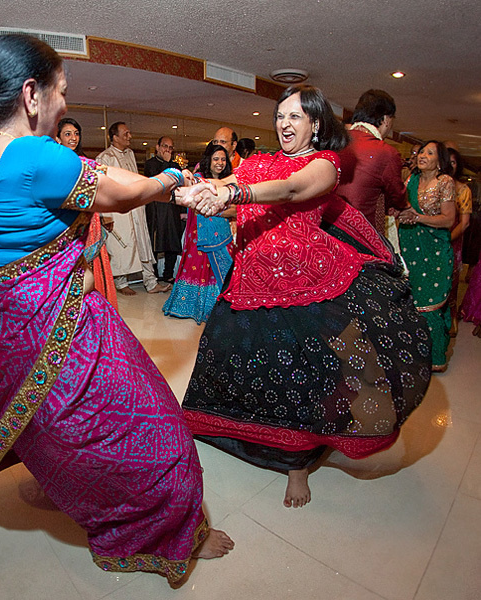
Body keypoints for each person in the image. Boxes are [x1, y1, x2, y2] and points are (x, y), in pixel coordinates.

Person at [0, 34, 233, 587]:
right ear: (31, 95)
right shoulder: (34, 154)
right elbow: (123, 193)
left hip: (18, 328)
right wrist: (174, 178)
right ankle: (168, 530)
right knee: (158, 431)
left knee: (59, 425)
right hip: (65, 326)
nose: (66, 103)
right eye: (62, 90)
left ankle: (69, 489)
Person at [182, 84, 431, 508]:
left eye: (295, 116)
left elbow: (293, 190)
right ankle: (224, 429)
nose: (284, 123)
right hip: (250, 279)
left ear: (316, 124)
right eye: (280, 115)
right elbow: (230, 199)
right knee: (232, 358)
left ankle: (297, 466)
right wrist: (198, 191)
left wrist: (232, 192)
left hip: (306, 284)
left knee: (303, 377)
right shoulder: (258, 162)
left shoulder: (326, 164)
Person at [397, 141, 456, 371]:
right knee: (414, 302)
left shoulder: (445, 183)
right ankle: (416, 350)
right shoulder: (410, 180)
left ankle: (436, 358)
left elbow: (449, 219)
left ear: (439, 161)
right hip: (411, 249)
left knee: (431, 303)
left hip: (435, 251)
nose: (422, 155)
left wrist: (418, 218)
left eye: (429, 153)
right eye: (421, 151)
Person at [96, 122, 171, 295]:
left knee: (142, 243)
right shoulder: (104, 158)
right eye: (126, 134)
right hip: (117, 211)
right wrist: (105, 215)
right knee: (121, 246)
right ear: (114, 137)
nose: (130, 137)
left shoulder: (130, 154)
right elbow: (101, 188)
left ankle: (151, 282)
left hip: (136, 208)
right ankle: (121, 283)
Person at [163, 142, 233, 323]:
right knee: (198, 265)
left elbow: (235, 210)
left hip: (222, 233)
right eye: (216, 159)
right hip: (199, 234)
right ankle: (190, 306)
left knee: (221, 270)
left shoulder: (231, 182)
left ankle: (220, 306)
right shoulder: (198, 179)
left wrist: (216, 210)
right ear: (208, 161)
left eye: (223, 159)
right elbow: (194, 203)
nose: (220, 163)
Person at [57, 117, 118, 309]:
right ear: (58, 138)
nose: (73, 138)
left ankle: (95, 312)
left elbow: (98, 190)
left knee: (94, 266)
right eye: (68, 134)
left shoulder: (86, 163)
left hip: (90, 220)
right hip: (65, 223)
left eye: (76, 134)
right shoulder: (55, 164)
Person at [337, 89, 407, 233]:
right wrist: (406, 207)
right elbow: (397, 195)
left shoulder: (334, 142)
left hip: (328, 230)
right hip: (361, 233)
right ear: (387, 120)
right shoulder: (386, 152)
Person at [144, 136, 186, 284]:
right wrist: (167, 163)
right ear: (157, 147)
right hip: (156, 210)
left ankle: (168, 273)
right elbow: (157, 181)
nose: (167, 150)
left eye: (170, 147)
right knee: (155, 242)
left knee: (172, 242)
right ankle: (154, 275)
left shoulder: (176, 166)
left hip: (172, 208)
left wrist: (182, 210)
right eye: (165, 146)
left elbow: (180, 187)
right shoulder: (150, 164)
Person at [446, 148, 473, 335]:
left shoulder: (463, 190)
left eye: (454, 162)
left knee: (451, 283)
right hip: (426, 243)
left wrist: (445, 240)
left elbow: (464, 224)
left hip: (450, 241)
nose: (449, 165)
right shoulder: (426, 185)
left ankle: (450, 319)